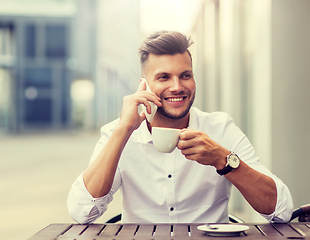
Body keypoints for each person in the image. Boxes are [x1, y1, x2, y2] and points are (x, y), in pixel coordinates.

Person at [67, 31, 293, 224]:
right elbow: (82, 212)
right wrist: (123, 129)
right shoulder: (119, 132)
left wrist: (222, 159)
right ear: (143, 85)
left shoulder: (220, 128)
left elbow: (282, 212)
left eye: (185, 76)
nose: (177, 87)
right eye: (164, 77)